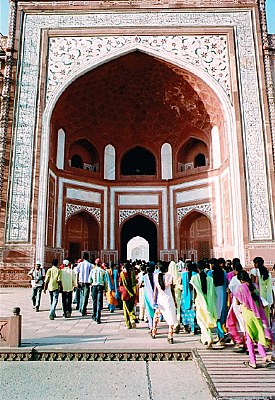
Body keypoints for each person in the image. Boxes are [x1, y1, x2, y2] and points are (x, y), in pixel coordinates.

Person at [235, 270, 272, 369]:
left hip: (247, 313)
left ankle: (253, 361)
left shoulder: (240, 288)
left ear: (240, 279)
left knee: (249, 337)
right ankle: (264, 356)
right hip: (257, 313)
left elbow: (238, 302)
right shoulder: (254, 286)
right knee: (259, 333)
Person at [190, 261, 217, 349]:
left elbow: (195, 292)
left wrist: (193, 302)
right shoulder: (210, 278)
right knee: (207, 320)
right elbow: (213, 292)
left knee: (201, 321)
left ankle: (209, 338)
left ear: (197, 269)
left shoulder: (194, 278)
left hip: (199, 301)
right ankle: (204, 338)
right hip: (208, 302)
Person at [152, 262, 177, 344]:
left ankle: (154, 331)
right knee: (171, 317)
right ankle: (170, 336)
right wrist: (175, 301)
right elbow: (172, 290)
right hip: (168, 299)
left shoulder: (156, 276)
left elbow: (155, 290)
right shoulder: (169, 276)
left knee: (157, 315)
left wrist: (154, 300)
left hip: (161, 299)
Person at [226, 262, 246, 352]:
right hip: (245, 303)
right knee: (243, 322)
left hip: (237, 302)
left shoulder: (235, 278)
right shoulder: (246, 277)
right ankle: (246, 341)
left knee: (232, 322)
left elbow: (230, 290)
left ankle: (239, 341)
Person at [208, 258, 228, 345]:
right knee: (219, 316)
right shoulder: (223, 272)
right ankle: (221, 336)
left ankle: (221, 336)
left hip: (214, 296)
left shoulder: (210, 273)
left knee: (215, 317)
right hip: (222, 295)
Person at [250, 256, 274, 321]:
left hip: (259, 294)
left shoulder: (254, 271)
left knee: (259, 314)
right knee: (266, 314)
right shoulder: (267, 271)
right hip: (266, 294)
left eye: (255, 263)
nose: (254, 265)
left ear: (257, 263)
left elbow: (254, 283)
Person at [119, 262, 137, 329]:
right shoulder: (132, 273)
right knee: (131, 306)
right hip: (132, 292)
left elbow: (120, 283)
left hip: (125, 293)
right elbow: (134, 283)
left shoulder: (122, 274)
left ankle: (130, 321)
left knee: (126, 309)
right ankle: (131, 319)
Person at [181, 261, 197, 334]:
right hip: (193, 295)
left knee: (184, 313)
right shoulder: (195, 274)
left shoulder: (183, 274)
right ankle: (193, 329)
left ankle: (186, 326)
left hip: (185, 295)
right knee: (193, 313)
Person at [89, 258, 106, 324]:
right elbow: (105, 281)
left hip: (94, 286)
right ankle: (98, 317)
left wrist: (92, 283)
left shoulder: (92, 271)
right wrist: (105, 289)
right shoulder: (103, 271)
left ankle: (94, 315)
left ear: (95, 263)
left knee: (94, 302)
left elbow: (90, 280)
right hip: (100, 287)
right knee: (99, 302)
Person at [168, 260, 182, 334]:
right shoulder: (179, 275)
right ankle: (177, 323)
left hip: (170, 294)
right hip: (178, 293)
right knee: (178, 309)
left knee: (171, 309)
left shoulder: (168, 275)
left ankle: (172, 324)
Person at [143, 262, 155, 333]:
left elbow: (140, 283)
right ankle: (154, 325)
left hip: (147, 295)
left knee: (149, 310)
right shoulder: (155, 276)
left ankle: (151, 326)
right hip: (154, 295)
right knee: (154, 310)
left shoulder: (145, 277)